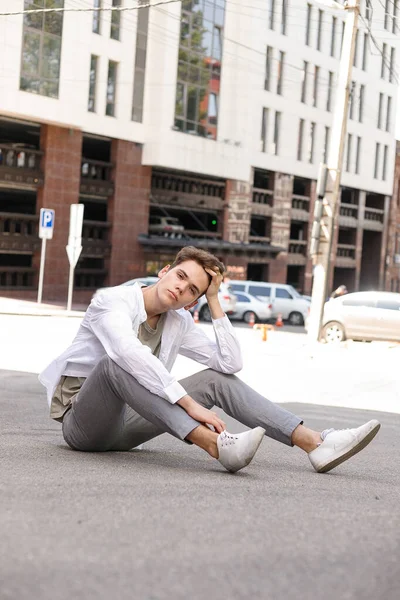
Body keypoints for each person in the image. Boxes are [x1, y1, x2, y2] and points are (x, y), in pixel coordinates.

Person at [39, 247, 380, 474]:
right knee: (117, 364)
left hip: (128, 428)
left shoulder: (178, 320)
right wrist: (190, 405)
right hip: (83, 425)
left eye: (192, 291)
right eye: (180, 277)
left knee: (216, 380)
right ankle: (217, 446)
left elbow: (229, 363)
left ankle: (316, 443)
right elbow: (128, 354)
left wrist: (214, 302)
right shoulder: (111, 303)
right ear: (165, 272)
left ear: (192, 302)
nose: (181, 289)